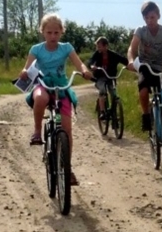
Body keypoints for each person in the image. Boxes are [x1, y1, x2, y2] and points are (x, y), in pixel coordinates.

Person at [18, 13, 92, 186]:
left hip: (61, 86)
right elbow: (27, 66)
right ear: (43, 32)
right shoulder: (36, 49)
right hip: (43, 83)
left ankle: (67, 168)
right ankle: (37, 132)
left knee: (66, 129)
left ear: (61, 32)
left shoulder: (66, 48)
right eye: (49, 32)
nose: (53, 36)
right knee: (40, 98)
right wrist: (23, 71)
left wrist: (85, 70)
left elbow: (78, 63)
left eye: (56, 32)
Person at [126, 1, 162, 131]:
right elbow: (132, 48)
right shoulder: (141, 31)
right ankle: (146, 115)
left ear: (158, 16)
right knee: (143, 89)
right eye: (146, 18)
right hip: (147, 66)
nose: (149, 21)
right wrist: (131, 61)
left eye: (152, 17)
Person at [88, 36, 128, 118]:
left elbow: (124, 60)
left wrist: (129, 65)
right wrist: (92, 66)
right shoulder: (97, 54)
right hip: (100, 77)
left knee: (113, 94)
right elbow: (91, 61)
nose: (97, 48)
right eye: (97, 46)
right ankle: (102, 111)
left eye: (99, 46)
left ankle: (113, 113)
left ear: (105, 46)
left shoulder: (113, 55)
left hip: (111, 77)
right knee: (102, 90)